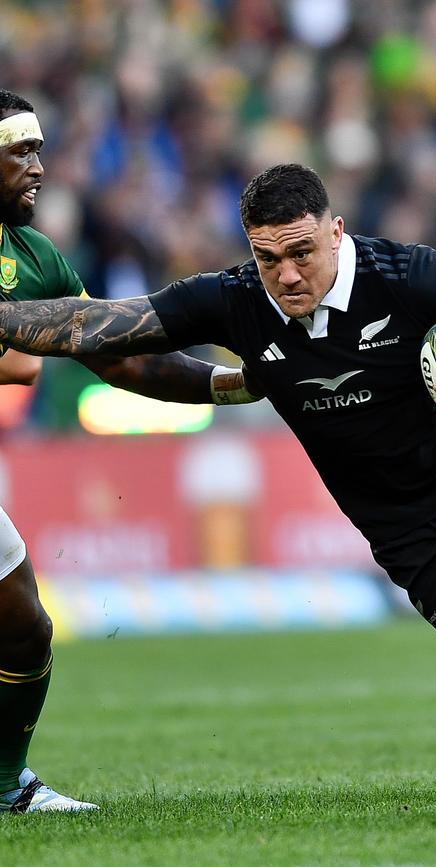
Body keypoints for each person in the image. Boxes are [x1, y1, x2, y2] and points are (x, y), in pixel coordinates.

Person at [2, 160, 436, 736]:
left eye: (302, 252)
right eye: (267, 257)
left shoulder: (403, 274)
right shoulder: (234, 299)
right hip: (408, 530)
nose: (285, 274)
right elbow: (100, 325)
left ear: (336, 232)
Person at [0, 90, 259, 813]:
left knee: (22, 625)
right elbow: (22, 367)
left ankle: (5, 787)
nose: (41, 167)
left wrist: (233, 383)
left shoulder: (33, 257)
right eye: (22, 151)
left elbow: (117, 357)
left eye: (41, 149)